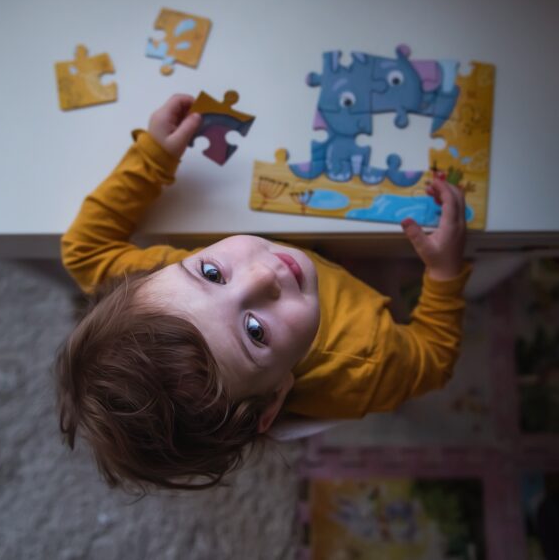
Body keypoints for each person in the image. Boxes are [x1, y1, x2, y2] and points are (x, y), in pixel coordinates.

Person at [55, 94, 471, 491]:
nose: (261, 277)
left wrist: (153, 155)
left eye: (212, 272)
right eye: (255, 331)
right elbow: (434, 358)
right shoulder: (367, 360)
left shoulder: (149, 287)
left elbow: (83, 248)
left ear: (145, 276)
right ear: (274, 399)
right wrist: (443, 271)